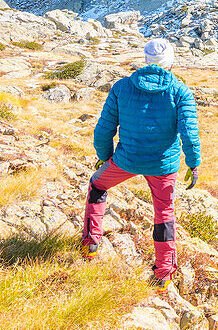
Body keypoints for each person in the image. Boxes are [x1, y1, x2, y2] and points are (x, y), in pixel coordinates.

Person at [80, 38, 201, 289]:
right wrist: (193, 164)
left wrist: (104, 156)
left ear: (145, 60)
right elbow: (189, 132)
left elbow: (104, 128)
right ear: (171, 62)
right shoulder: (180, 91)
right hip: (163, 165)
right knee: (164, 213)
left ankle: (91, 243)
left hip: (126, 160)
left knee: (97, 185)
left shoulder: (122, 87)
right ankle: (163, 273)